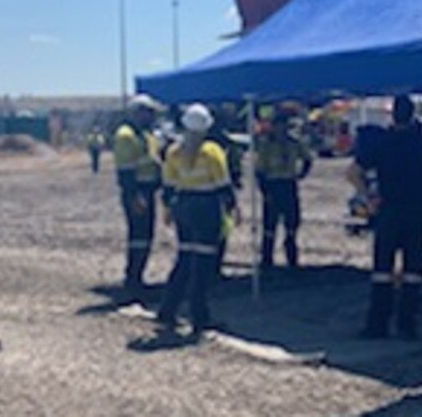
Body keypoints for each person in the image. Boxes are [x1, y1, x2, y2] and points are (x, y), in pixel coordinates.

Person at [347, 95, 422, 339]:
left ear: (392, 114)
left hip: (388, 211)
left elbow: (353, 172)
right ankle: (407, 324)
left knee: (382, 270)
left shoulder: (381, 143)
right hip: (417, 211)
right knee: (413, 272)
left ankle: (377, 324)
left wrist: (368, 196)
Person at [156, 103, 237, 336]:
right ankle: (199, 316)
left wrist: (168, 210)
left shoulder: (173, 152)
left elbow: (168, 186)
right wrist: (232, 207)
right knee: (203, 264)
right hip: (207, 208)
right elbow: (223, 183)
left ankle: (168, 309)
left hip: (184, 206)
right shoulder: (212, 151)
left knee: (184, 259)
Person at [113, 94, 163, 298]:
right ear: (137, 112)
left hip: (148, 190)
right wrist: (134, 196)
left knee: (146, 235)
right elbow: (125, 171)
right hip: (137, 191)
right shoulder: (126, 135)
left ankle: (138, 276)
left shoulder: (144, 134)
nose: (151, 117)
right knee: (139, 236)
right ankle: (133, 278)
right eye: (148, 112)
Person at [257, 109, 314, 268]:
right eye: (279, 126)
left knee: (292, 222)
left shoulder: (294, 142)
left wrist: (302, 174)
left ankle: (292, 258)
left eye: (285, 126)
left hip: (289, 184)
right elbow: (259, 171)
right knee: (269, 225)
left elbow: (308, 158)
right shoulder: (266, 144)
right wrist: (265, 191)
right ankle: (267, 260)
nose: (282, 129)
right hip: (273, 185)